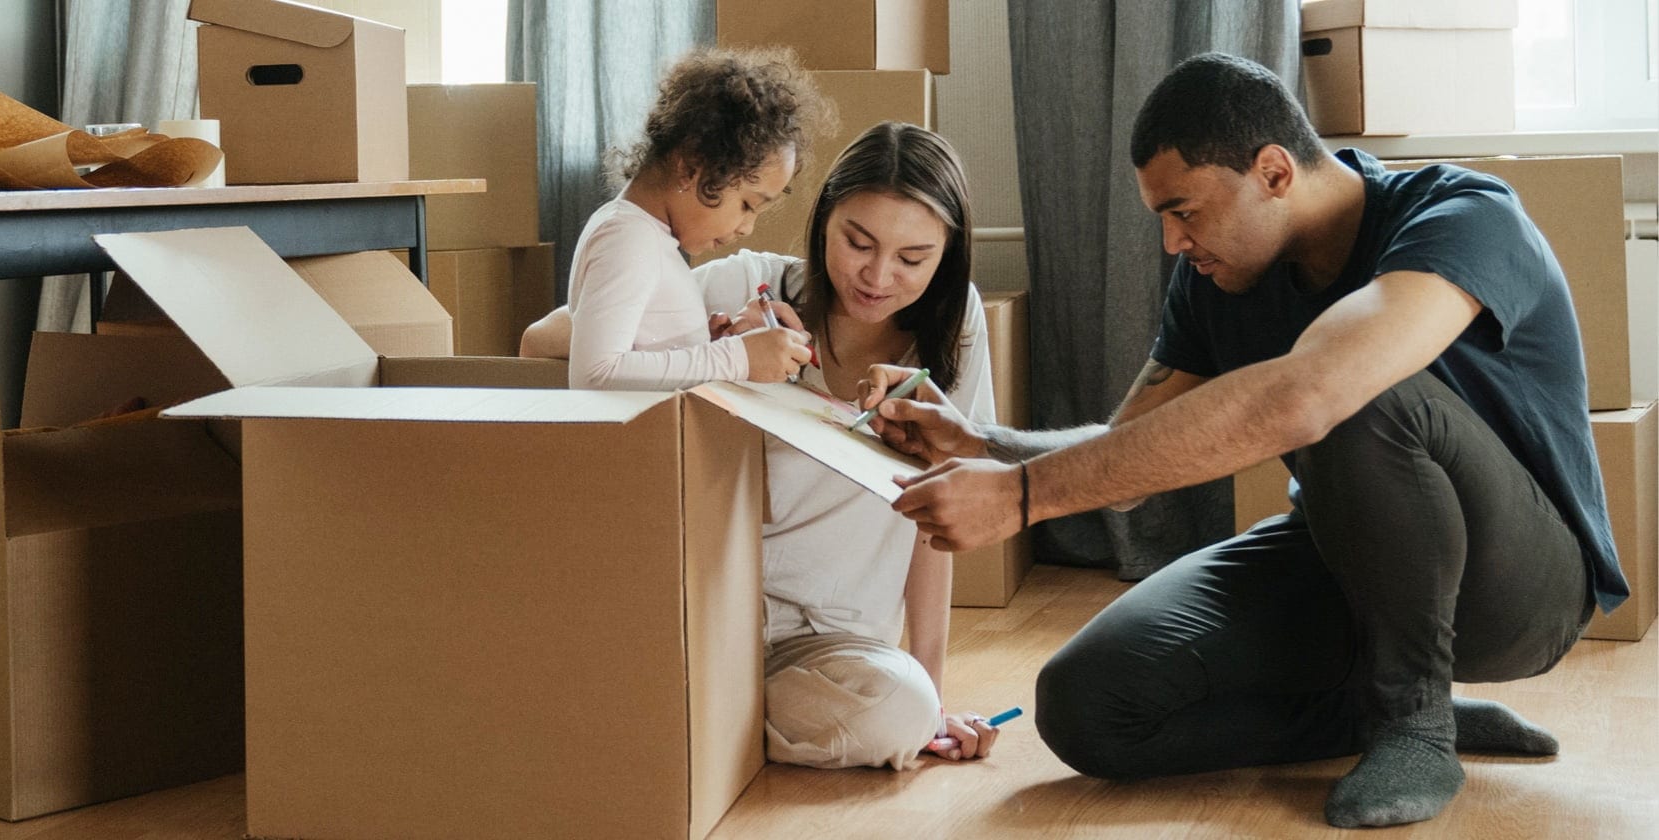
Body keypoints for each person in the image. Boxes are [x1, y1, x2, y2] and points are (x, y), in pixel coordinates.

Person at [863, 53, 1626, 827]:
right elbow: (1130, 456)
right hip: (1344, 560)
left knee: (1355, 390)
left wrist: (1023, 498)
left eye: (1185, 211)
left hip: (1521, 589)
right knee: (1088, 705)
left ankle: (1415, 724)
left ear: (1273, 172)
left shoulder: (1463, 215)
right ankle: (1372, 712)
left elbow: (1314, 393)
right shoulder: (1216, 278)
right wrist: (985, 447)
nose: (1170, 242)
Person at [526, 121, 1005, 767]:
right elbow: (543, 341)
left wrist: (935, 696)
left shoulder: (956, 332)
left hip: (832, 645)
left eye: (913, 259)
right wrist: (718, 350)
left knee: (902, 712)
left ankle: (686, 722)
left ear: (947, 256)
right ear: (823, 220)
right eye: (857, 242)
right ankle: (694, 717)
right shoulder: (745, 284)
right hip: (706, 616)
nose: (878, 275)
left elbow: (936, 518)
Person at [561, 46, 822, 391]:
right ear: (691, 166)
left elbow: (644, 358)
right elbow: (595, 374)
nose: (747, 227)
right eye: (747, 204)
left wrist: (705, 347)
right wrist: (736, 357)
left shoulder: (646, 237)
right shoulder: (628, 238)